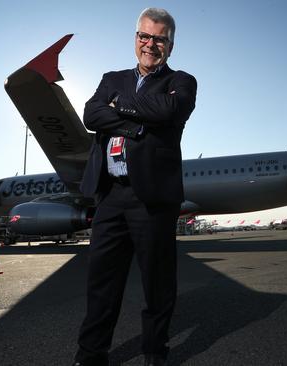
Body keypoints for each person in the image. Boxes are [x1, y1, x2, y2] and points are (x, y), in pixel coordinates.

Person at [74, 7, 197, 366]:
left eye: (159, 38)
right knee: (101, 283)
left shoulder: (183, 81)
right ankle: (90, 354)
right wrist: (135, 124)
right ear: (135, 38)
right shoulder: (112, 77)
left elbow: (170, 111)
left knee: (157, 284)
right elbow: (90, 115)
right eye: (145, 36)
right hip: (111, 195)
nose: (150, 44)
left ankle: (155, 352)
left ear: (170, 45)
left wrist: (120, 107)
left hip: (153, 198)